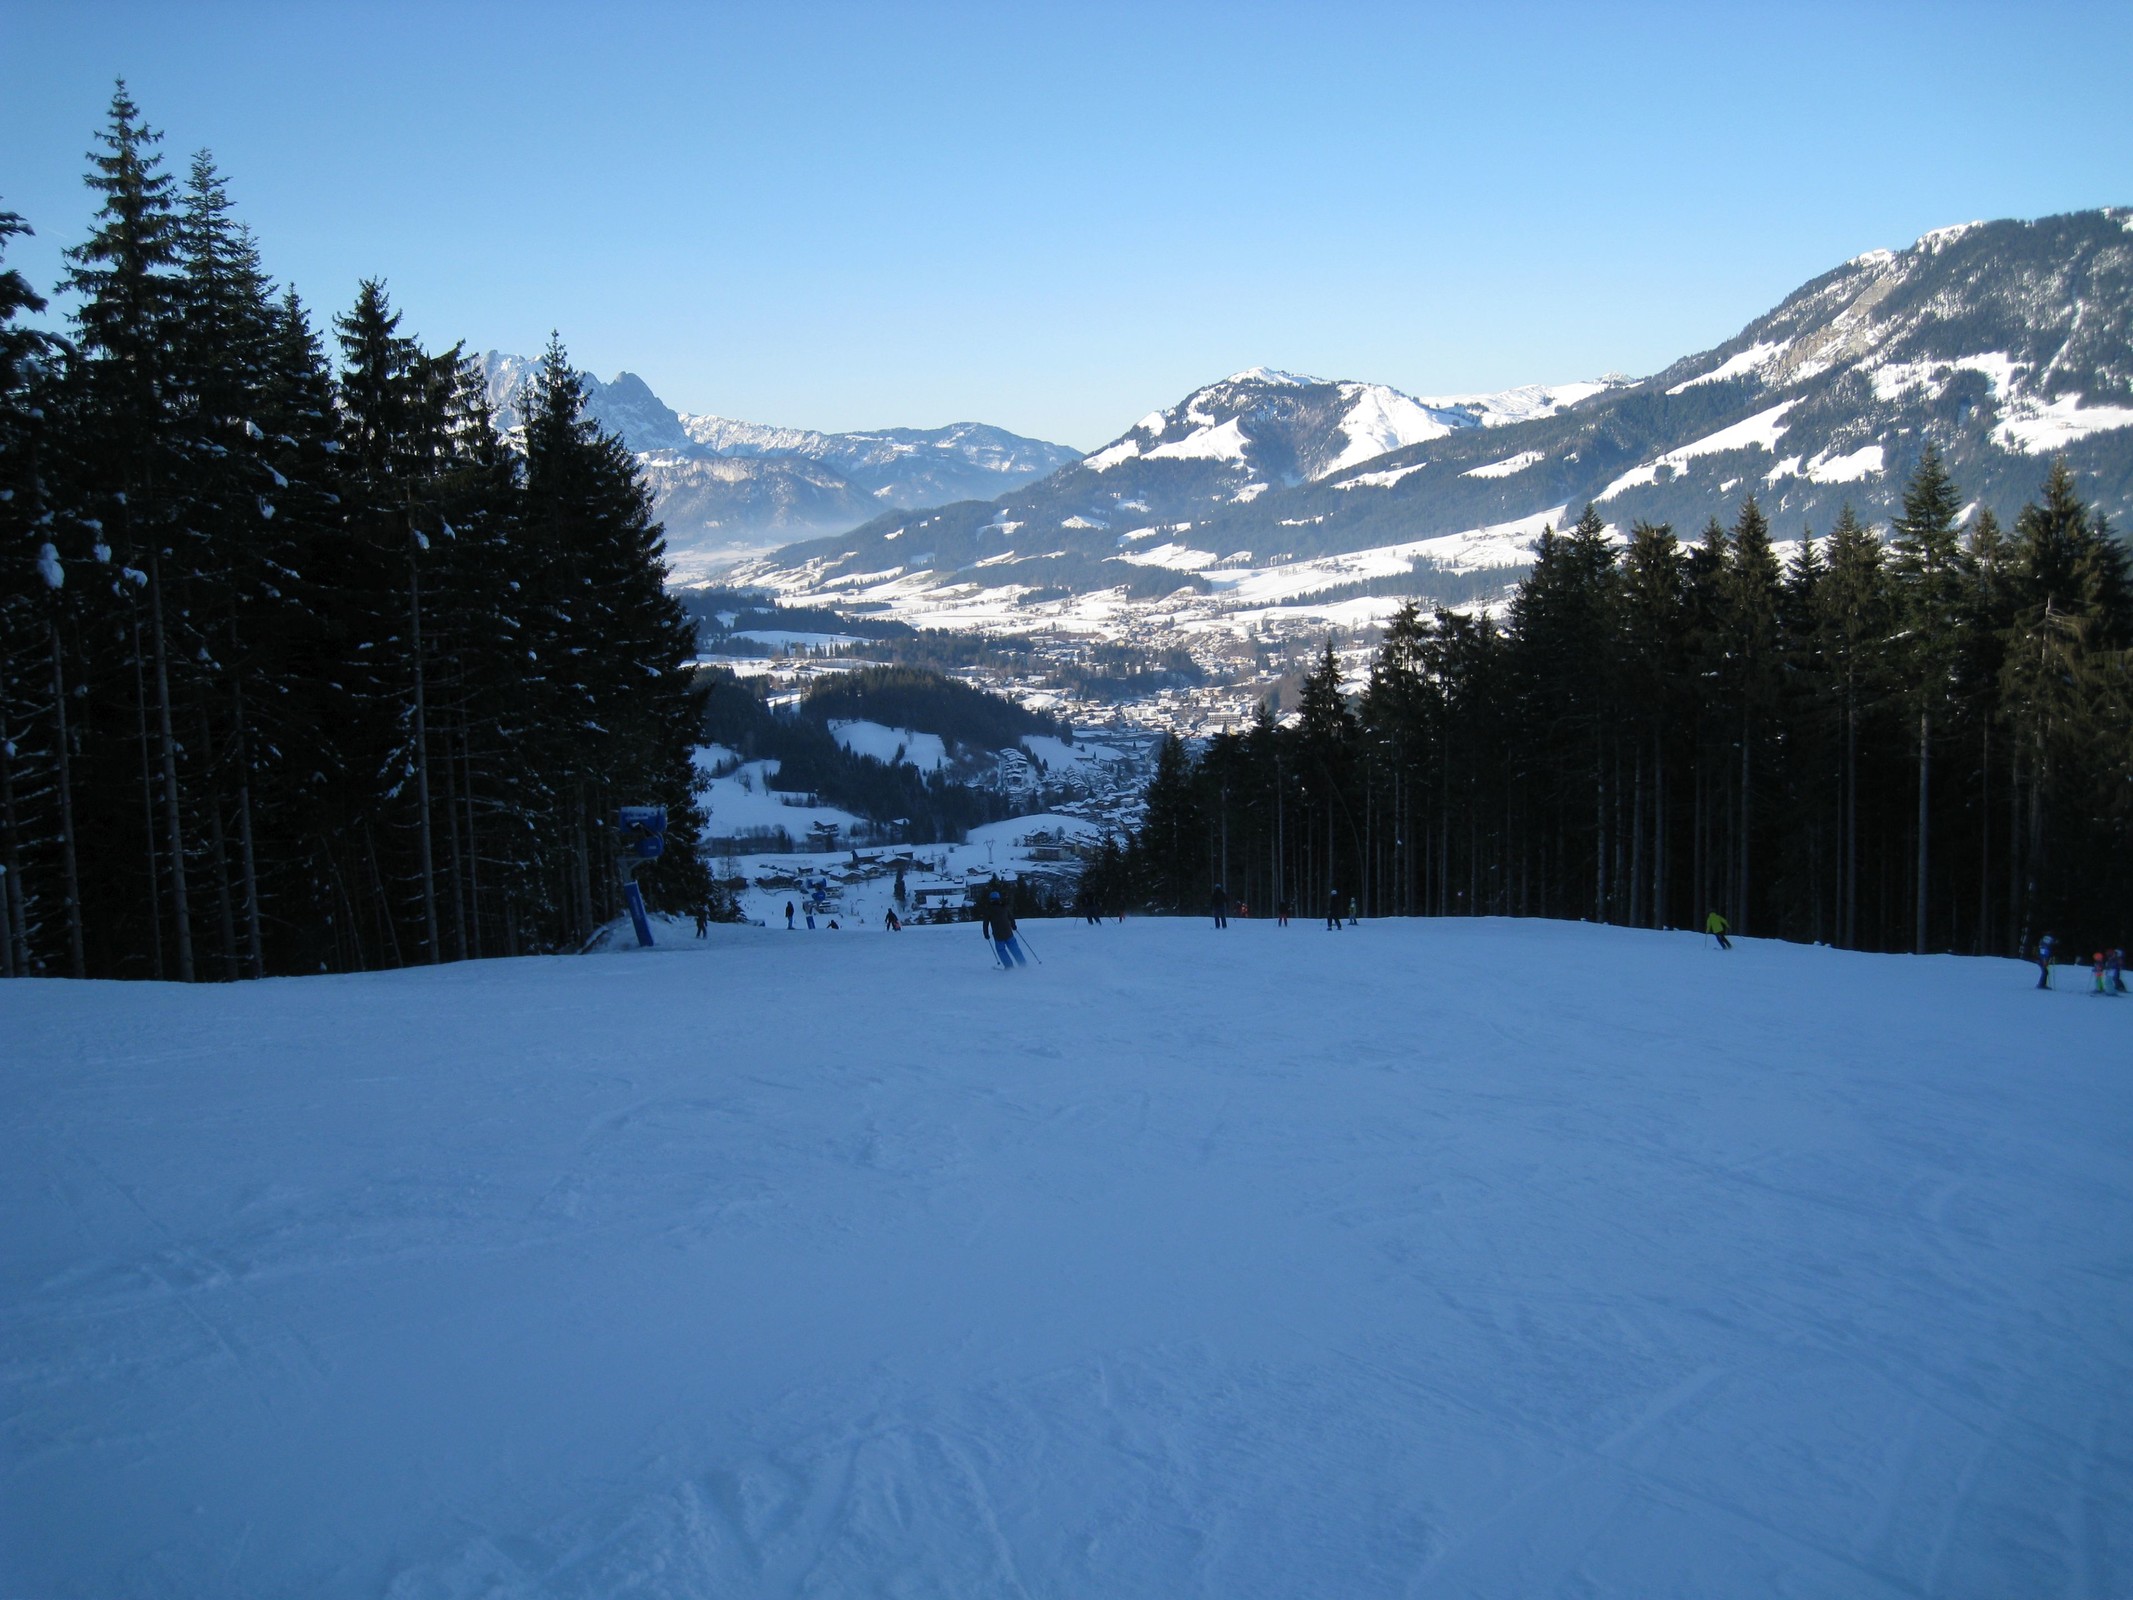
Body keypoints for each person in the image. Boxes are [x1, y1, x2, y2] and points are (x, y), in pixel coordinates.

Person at [983, 889, 1026, 967]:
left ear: (991, 900)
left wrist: (986, 934)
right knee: (1014, 948)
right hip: (1008, 932)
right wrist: (1013, 925)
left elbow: (985, 923)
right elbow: (1011, 917)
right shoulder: (1004, 907)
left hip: (998, 934)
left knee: (1001, 950)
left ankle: (1009, 966)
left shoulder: (989, 910)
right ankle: (1022, 963)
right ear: (999, 899)